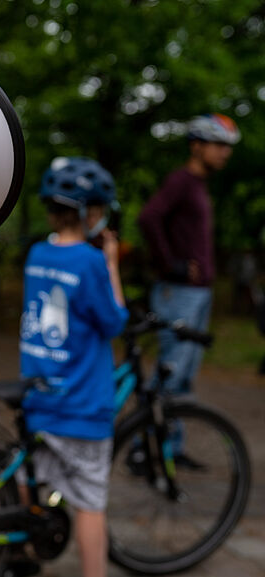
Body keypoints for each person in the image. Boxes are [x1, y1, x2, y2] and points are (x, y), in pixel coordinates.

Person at [17, 157, 128, 577]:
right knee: (89, 501)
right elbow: (114, 321)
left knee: (35, 477)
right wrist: (112, 262)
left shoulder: (37, 253)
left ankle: (24, 555)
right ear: (90, 212)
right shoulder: (90, 261)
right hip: (82, 406)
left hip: (41, 396)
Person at [138, 114, 240, 416]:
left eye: (228, 146)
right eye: (219, 144)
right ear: (196, 145)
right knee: (171, 369)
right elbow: (148, 217)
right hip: (178, 291)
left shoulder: (198, 184)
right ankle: (143, 446)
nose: (225, 152)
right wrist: (170, 265)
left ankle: (172, 447)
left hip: (197, 292)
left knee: (184, 374)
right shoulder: (181, 180)